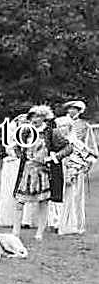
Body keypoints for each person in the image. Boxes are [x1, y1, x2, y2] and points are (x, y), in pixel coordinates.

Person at [12, 105, 71, 240]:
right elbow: (17, 146)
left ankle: (39, 232)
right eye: (33, 116)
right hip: (27, 170)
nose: (35, 119)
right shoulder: (25, 131)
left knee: (43, 202)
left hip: (43, 171)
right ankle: (16, 232)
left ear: (44, 118)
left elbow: (68, 148)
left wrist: (53, 157)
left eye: (38, 116)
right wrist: (19, 153)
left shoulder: (51, 132)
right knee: (19, 201)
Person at [58, 100, 97, 236]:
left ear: (80, 111)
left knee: (77, 195)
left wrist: (88, 162)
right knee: (59, 194)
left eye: (75, 109)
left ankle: (77, 225)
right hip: (61, 161)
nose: (72, 111)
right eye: (70, 108)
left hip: (77, 163)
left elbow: (90, 147)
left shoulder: (85, 126)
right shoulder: (60, 123)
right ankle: (58, 223)